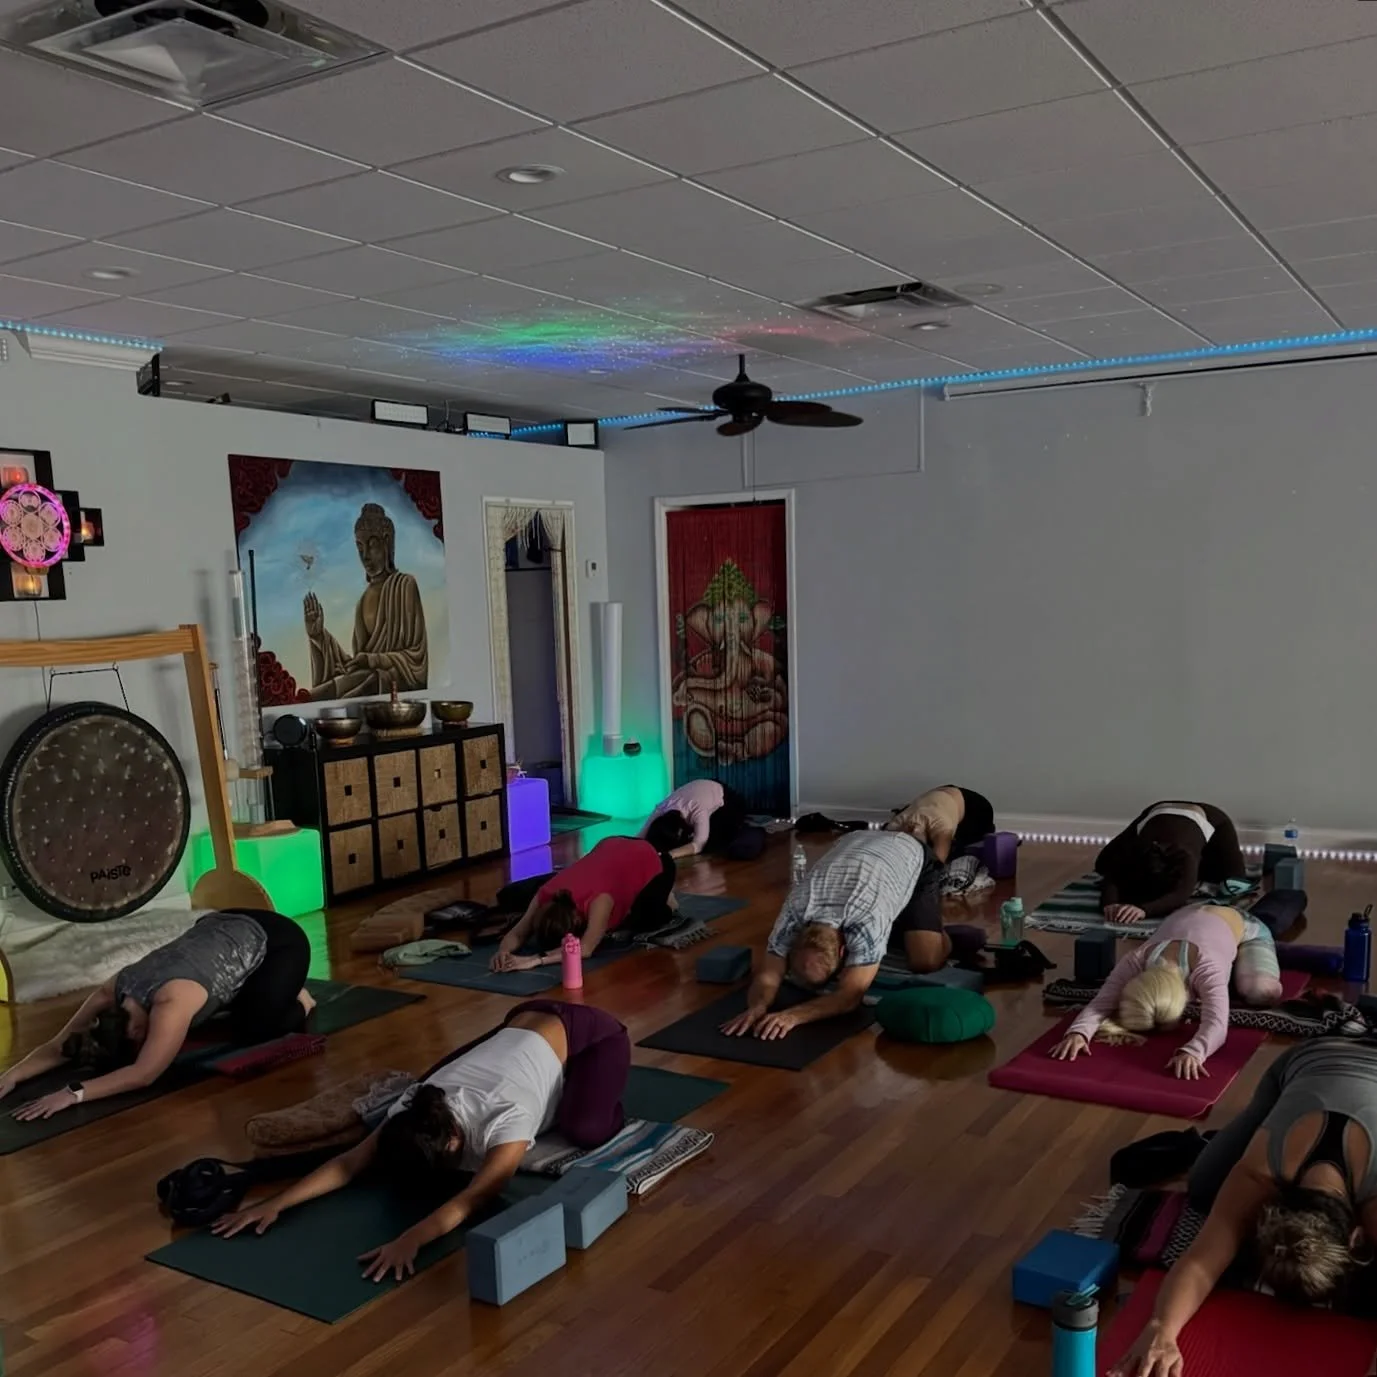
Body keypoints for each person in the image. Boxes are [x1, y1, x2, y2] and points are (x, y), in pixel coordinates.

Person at [212, 1001, 630, 1282]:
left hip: (589, 1035)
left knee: (585, 1129)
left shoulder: (507, 1118)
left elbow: (475, 1197)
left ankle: (589, 1087)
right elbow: (350, 1163)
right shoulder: (416, 1102)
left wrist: (410, 1238)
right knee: (431, 1078)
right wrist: (275, 1203)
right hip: (521, 1018)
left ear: (452, 1142)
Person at [1109, 1041, 1377, 1376]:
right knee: (1206, 1185)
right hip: (1308, 1058)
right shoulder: (1259, 1174)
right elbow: (1200, 1263)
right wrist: (1161, 1328)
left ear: (1356, 1236)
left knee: (1215, 1185)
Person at [0, 910, 313, 1121]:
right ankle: (245, 991)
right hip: (218, 923)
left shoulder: (170, 1001)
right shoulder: (112, 991)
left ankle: (302, 999)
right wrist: (12, 1074)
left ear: (137, 1035)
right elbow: (60, 1045)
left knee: (255, 1029)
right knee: (217, 1006)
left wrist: (73, 1094)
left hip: (278, 940)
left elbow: (143, 1074)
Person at [722, 830, 938, 1041]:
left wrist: (792, 1016)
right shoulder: (793, 914)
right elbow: (768, 975)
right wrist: (757, 1006)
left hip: (909, 851)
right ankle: (898, 923)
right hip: (855, 839)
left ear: (844, 951)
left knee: (925, 959)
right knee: (893, 933)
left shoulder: (866, 923)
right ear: (795, 940)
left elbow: (849, 997)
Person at [1049, 898, 1291, 1080]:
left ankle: (1262, 924)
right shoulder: (1136, 960)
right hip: (1190, 912)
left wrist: (1194, 1051)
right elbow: (1102, 1002)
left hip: (1246, 927)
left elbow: (1217, 1024)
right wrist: (1078, 1033)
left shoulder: (1208, 968)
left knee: (1262, 992)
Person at [490, 835, 677, 972]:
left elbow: (586, 949)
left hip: (654, 858)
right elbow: (518, 932)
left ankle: (667, 896)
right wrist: (503, 952)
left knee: (650, 920)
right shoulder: (544, 894)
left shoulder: (599, 900)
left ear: (577, 922)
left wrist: (533, 960)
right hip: (610, 845)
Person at [305, 501, 428, 699]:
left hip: (398, 682)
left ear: (386, 542)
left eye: (372, 546)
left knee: (365, 684)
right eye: (360, 547)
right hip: (370, 677)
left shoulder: (405, 585)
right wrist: (319, 637)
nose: (365, 557)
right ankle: (303, 701)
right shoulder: (363, 600)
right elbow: (355, 664)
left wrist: (372, 660)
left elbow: (416, 658)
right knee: (338, 686)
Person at [1095, 801, 1246, 925]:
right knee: (1103, 862)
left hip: (1211, 817)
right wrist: (1110, 904)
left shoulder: (1185, 854)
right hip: (1158, 811)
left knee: (1235, 882)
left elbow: (1181, 894)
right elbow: (1112, 873)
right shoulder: (1137, 848)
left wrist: (1144, 909)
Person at [641, 779, 765, 861]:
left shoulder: (698, 809)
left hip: (725, 799)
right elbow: (640, 836)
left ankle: (753, 830)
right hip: (700, 790)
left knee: (715, 844)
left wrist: (670, 855)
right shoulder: (661, 808)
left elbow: (698, 844)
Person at [884, 785, 995, 863]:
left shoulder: (941, 826)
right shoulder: (894, 825)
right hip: (939, 794)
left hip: (974, 805)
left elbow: (937, 864)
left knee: (956, 848)